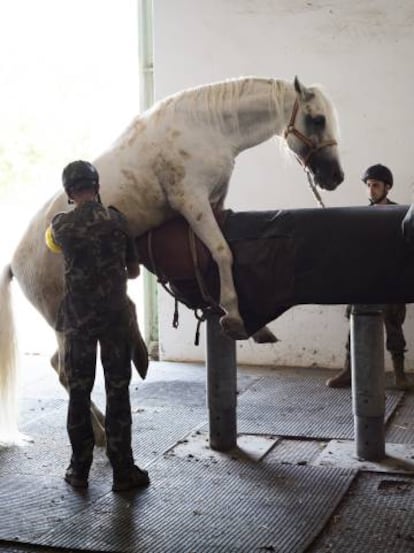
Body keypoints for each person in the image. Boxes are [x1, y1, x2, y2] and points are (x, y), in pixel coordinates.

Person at [45, 160, 150, 491]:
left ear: (69, 192)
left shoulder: (60, 226)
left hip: (78, 322)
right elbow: (134, 272)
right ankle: (123, 473)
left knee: (79, 393)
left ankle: (79, 471)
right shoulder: (118, 221)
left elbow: (52, 243)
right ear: (97, 186)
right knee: (118, 392)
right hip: (116, 320)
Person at [326, 163, 409, 390]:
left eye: (376, 186)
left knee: (394, 327)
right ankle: (349, 371)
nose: (371, 190)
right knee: (355, 325)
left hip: (390, 281)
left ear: (387, 187)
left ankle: (400, 375)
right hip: (365, 281)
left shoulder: (400, 214)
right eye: (369, 186)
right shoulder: (362, 215)